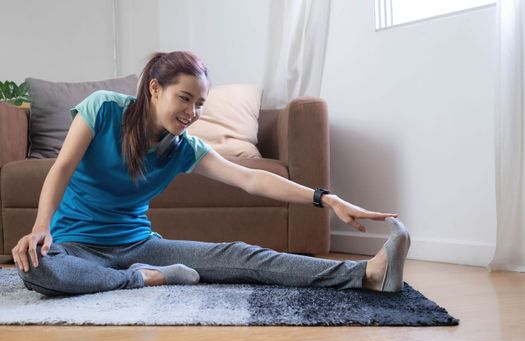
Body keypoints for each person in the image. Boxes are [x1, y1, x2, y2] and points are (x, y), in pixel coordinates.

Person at [12, 51, 410, 297]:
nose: (192, 112)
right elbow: (61, 168)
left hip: (138, 245)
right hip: (76, 246)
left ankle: (368, 274)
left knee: (241, 255)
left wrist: (326, 198)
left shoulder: (185, 147)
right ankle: (145, 280)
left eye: (200, 103)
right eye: (184, 98)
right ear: (154, 89)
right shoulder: (102, 109)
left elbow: (252, 179)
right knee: (37, 269)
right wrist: (41, 228)